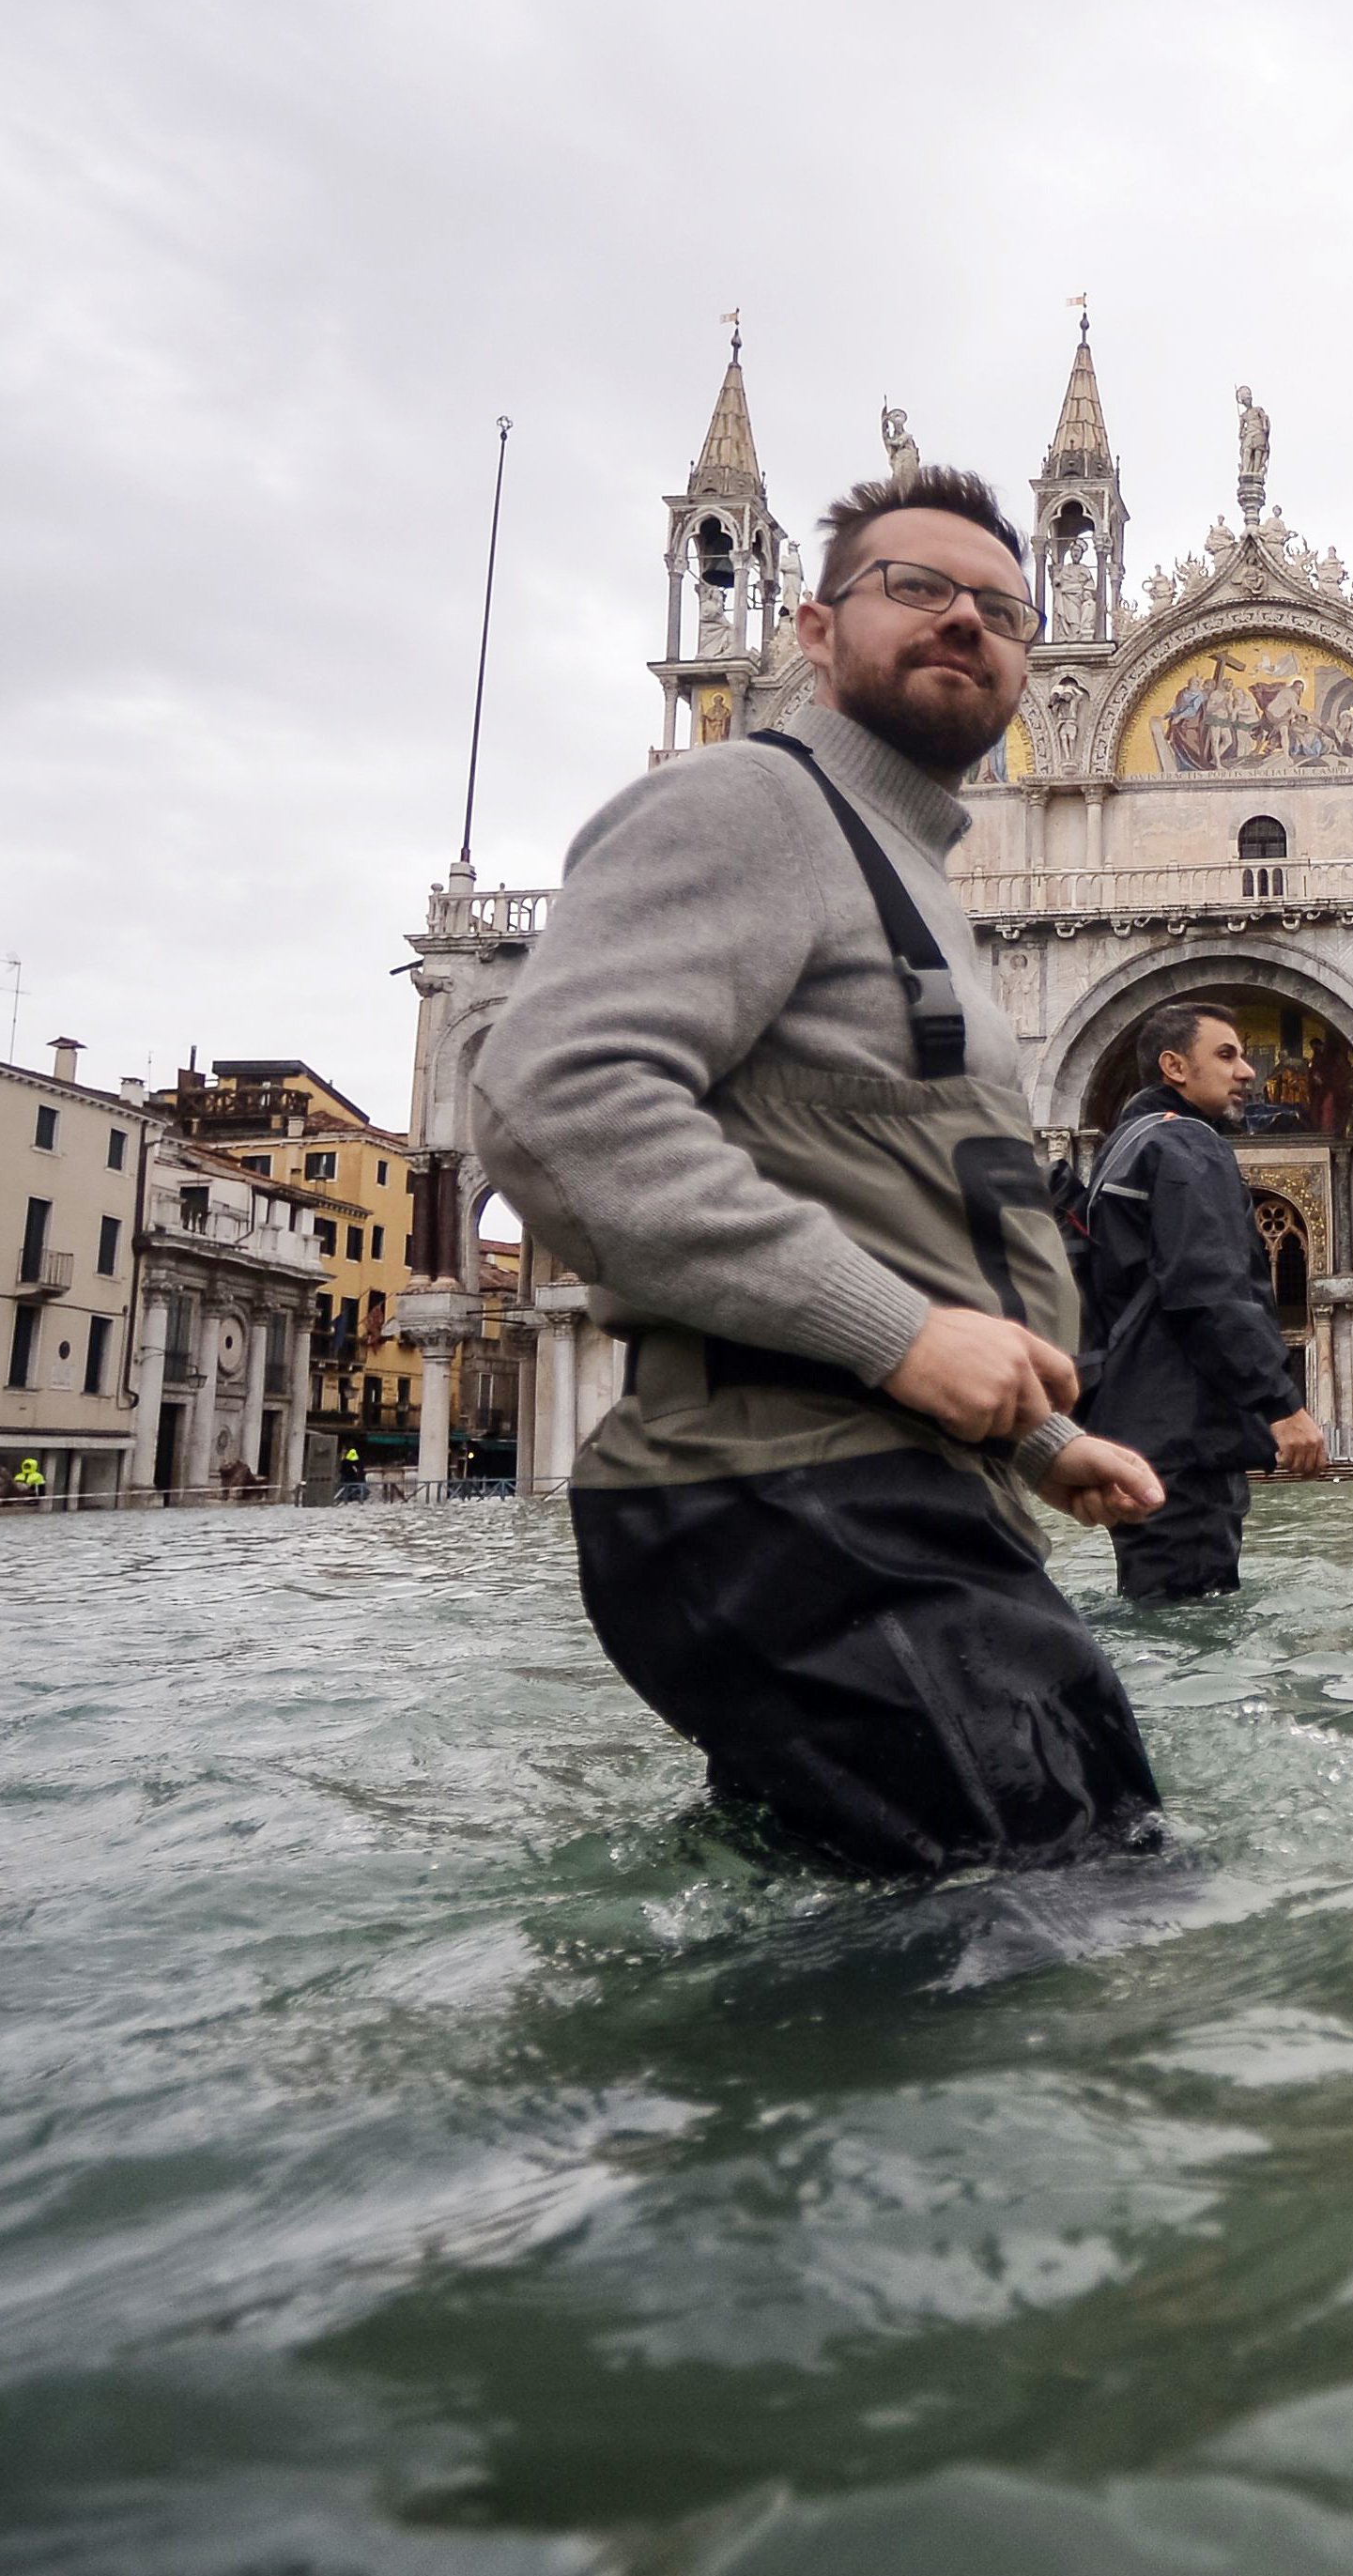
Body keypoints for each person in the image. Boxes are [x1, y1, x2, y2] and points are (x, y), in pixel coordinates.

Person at [474, 461, 1170, 1878]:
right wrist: (902, 1337)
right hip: (799, 1500)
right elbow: (553, 1099)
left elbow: (899, 1201)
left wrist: (1039, 1442)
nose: (962, 622)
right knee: (1072, 1923)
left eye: (999, 607)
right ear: (810, 627)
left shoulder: (899, 865)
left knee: (896, 1940)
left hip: (870, 1496)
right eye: (913, 588)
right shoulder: (749, 803)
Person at [1081, 1002, 1330, 1602]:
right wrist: (1282, 1404)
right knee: (1192, 1618)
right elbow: (1208, 1291)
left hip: (1136, 1427)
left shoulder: (1127, 1143)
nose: (1247, 1071)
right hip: (1183, 1435)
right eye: (1226, 1055)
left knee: (1156, 1608)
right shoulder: (1186, 1146)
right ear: (1174, 1066)